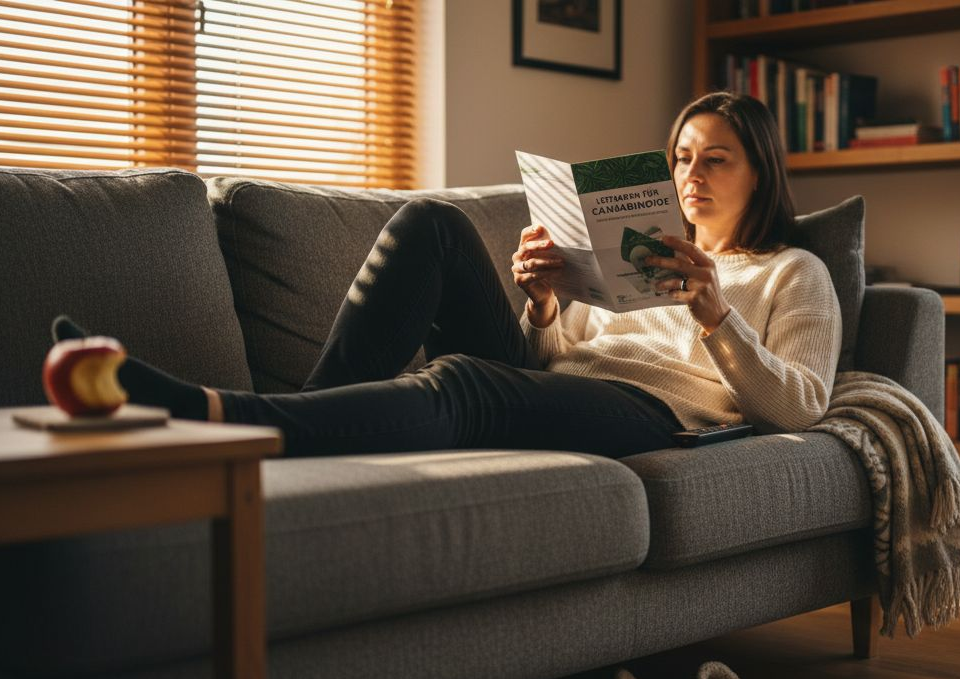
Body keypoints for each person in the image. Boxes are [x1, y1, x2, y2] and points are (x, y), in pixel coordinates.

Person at [51, 91, 842, 459]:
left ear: (760, 170)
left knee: (461, 379)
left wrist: (714, 313)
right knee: (431, 226)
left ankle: (226, 415)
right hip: (568, 383)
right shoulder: (642, 246)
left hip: (653, 415)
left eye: (716, 158)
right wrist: (542, 303)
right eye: (681, 156)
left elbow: (800, 408)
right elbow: (550, 360)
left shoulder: (792, 273)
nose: (692, 172)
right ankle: (299, 415)